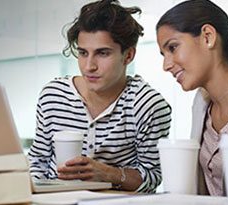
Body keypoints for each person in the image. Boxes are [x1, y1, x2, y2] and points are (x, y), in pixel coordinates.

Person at [27, 0, 172, 193]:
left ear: (128, 56)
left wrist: (108, 174)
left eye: (102, 53)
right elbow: (38, 161)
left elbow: (153, 177)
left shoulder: (147, 105)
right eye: (83, 53)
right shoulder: (53, 95)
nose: (89, 66)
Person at [156, 0, 228, 196]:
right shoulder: (202, 103)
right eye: (163, 54)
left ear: (207, 37)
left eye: (173, 48)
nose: (166, 65)